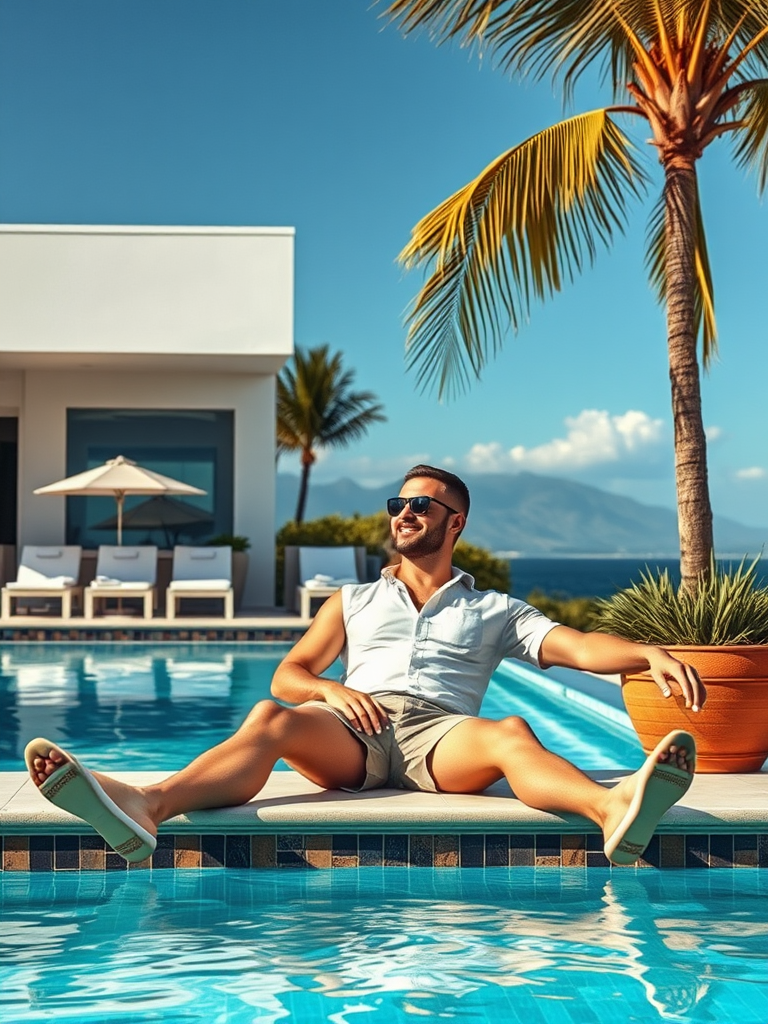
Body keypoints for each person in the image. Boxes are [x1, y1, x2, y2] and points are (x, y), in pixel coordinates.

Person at [26, 465, 704, 866]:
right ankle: (149, 805)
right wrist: (328, 689)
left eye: (421, 505)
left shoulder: (494, 608)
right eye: (398, 504)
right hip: (352, 732)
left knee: (513, 733)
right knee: (270, 715)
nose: (404, 513)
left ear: (455, 522)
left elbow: (579, 647)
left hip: (441, 738)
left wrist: (644, 652)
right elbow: (288, 674)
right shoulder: (351, 598)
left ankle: (612, 807)